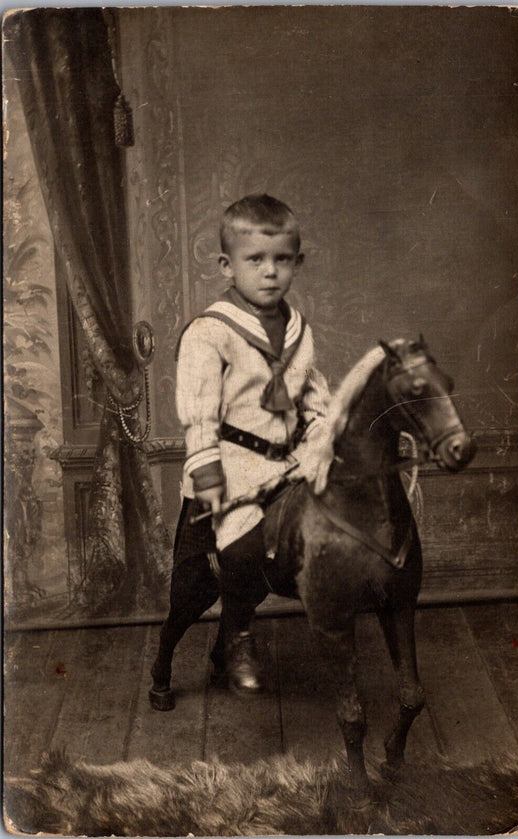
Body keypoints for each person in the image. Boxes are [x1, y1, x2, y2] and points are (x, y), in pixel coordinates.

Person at [149, 194, 330, 710]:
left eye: (282, 260)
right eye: (256, 260)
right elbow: (199, 416)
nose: (270, 272)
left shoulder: (299, 329)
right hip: (235, 465)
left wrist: (326, 432)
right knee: (239, 553)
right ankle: (231, 640)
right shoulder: (211, 332)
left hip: (288, 463)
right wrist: (211, 490)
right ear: (227, 266)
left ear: (297, 261)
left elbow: (312, 392)